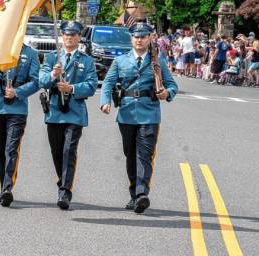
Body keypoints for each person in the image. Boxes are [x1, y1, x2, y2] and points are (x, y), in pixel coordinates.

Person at [100, 22, 178, 214]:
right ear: (131, 38)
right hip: (126, 114)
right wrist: (105, 101)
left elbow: (172, 85)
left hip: (149, 113)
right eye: (136, 37)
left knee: (144, 155)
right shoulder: (121, 60)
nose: (139, 40)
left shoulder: (156, 60)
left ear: (150, 38)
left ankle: (142, 194)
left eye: (143, 37)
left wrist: (166, 93)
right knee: (130, 155)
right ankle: (134, 193)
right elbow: (108, 83)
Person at [38, 21, 98, 210]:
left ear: (79, 37)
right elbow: (41, 81)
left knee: (68, 151)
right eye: (66, 34)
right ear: (61, 36)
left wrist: (72, 88)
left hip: (74, 112)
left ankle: (65, 191)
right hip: (55, 111)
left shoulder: (86, 60)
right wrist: (53, 75)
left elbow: (91, 86)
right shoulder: (51, 58)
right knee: (57, 152)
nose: (69, 37)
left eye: (73, 34)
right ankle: (62, 182)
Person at [0, 44, 40, 207]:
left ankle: (7, 188)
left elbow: (36, 81)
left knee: (11, 148)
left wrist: (18, 92)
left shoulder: (30, 53)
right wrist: (0, 70)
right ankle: (3, 186)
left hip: (17, 108)